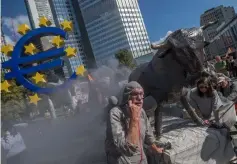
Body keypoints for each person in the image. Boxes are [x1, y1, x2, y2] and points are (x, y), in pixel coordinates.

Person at [105, 81, 163, 164]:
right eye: (135, 94)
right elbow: (127, 149)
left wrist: (156, 149)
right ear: (127, 97)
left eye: (141, 94)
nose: (139, 98)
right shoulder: (116, 113)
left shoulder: (141, 111)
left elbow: (148, 135)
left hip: (141, 159)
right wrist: (134, 118)